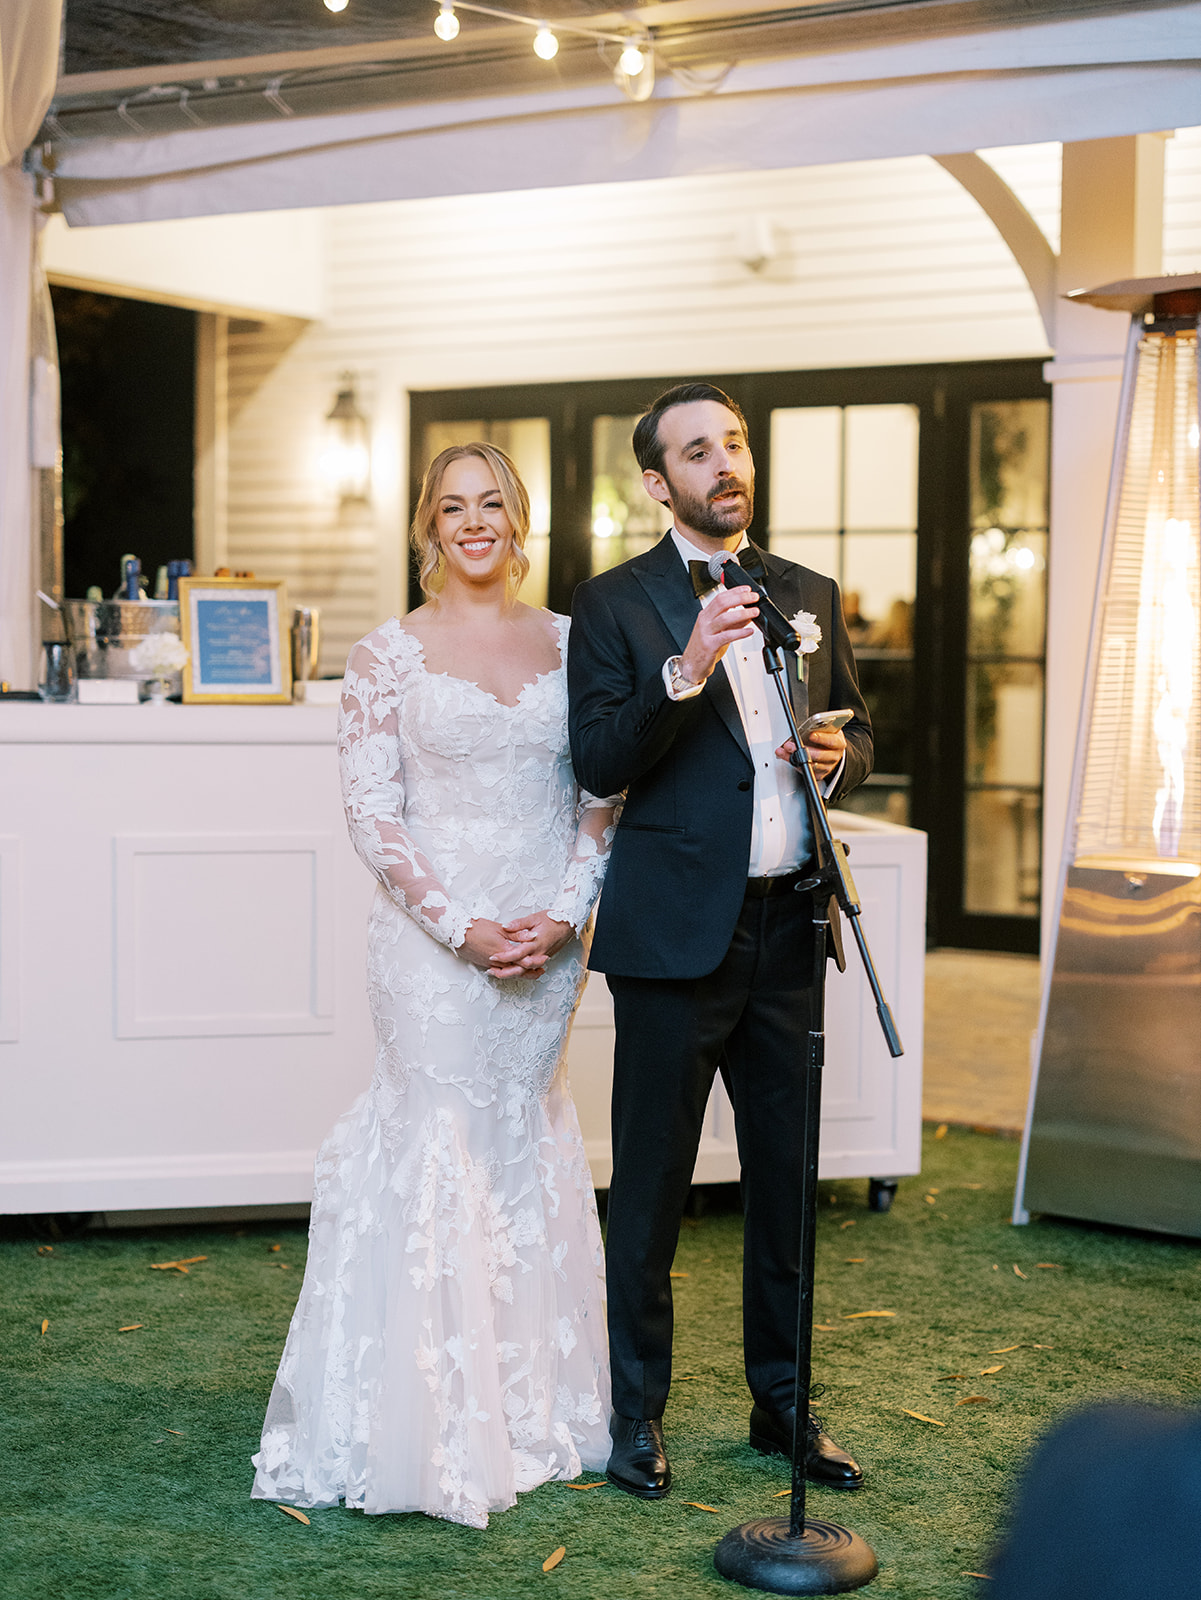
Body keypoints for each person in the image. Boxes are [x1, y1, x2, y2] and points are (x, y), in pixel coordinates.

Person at [252, 443, 618, 1529]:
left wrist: (564, 912)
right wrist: (461, 928)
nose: (474, 522)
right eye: (453, 507)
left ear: (519, 518)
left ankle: (526, 1409)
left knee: (522, 1130)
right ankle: (425, 1423)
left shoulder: (574, 642)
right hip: (430, 949)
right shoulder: (384, 655)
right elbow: (372, 815)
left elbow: (603, 793)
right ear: (427, 526)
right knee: (437, 1135)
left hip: (548, 942)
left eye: (491, 503)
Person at [567, 383, 873, 1500]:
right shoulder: (613, 604)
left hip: (791, 923)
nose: (724, 462)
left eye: (733, 442)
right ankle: (635, 1414)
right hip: (671, 938)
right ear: (658, 483)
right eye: (697, 451)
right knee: (651, 1186)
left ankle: (782, 1403)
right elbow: (599, 760)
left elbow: (857, 725)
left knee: (785, 1185)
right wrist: (686, 667)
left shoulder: (806, 591)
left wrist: (841, 757)